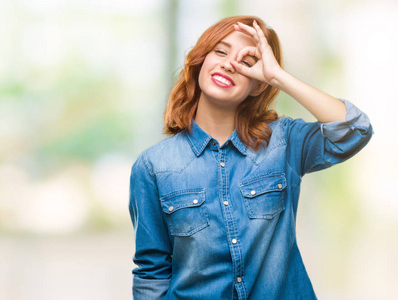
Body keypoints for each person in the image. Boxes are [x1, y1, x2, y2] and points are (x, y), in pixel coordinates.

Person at [128, 15, 372, 300]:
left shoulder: (284, 142)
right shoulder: (153, 166)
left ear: (258, 84)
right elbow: (151, 272)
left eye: (247, 62)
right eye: (220, 51)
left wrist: (278, 77)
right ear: (200, 63)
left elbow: (355, 130)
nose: (229, 63)